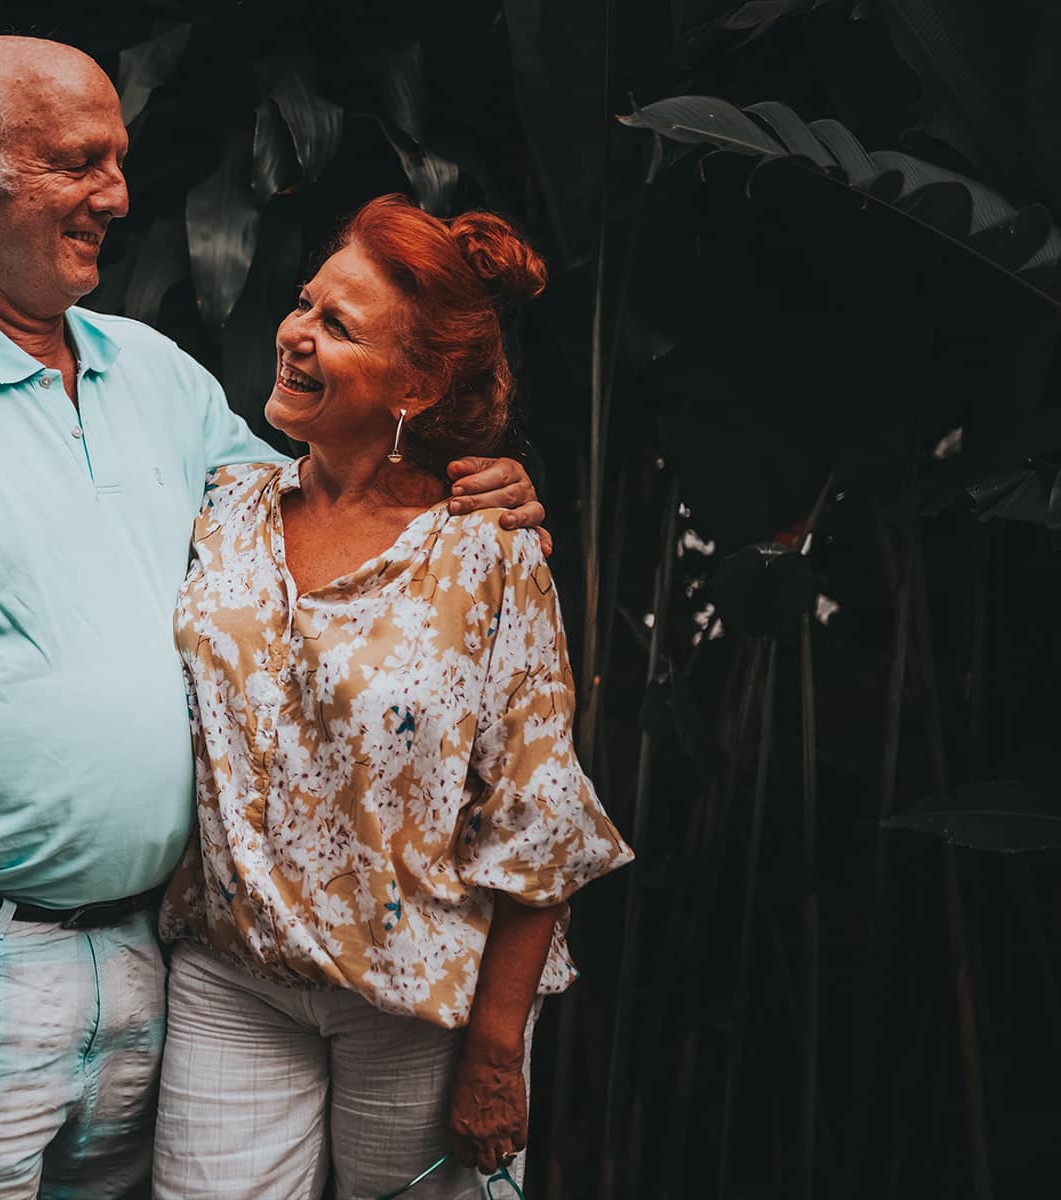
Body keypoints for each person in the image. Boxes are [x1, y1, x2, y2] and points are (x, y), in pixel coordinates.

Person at [0, 37, 548, 1200]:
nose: (119, 198)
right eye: (79, 163)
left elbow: (329, 509)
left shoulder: (159, 380)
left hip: (155, 969)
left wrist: (469, 486)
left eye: (118, 160)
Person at [150, 196, 634, 1200]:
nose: (295, 333)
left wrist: (497, 1056)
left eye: (337, 325)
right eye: (303, 303)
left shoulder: (487, 553)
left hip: (423, 1011)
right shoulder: (226, 508)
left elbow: (537, 823)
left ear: (414, 383)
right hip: (234, 979)